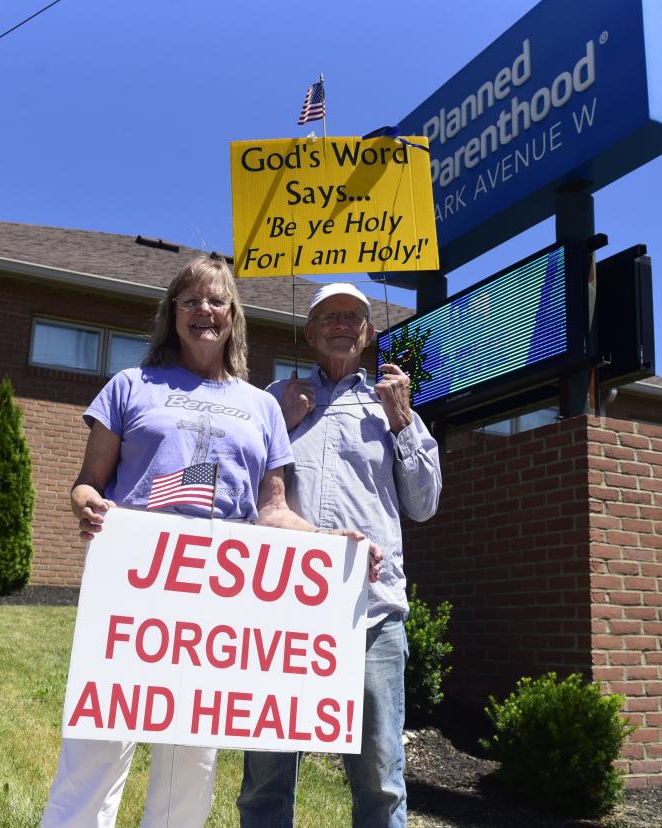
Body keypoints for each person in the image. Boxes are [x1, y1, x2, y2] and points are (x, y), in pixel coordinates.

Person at [42, 257, 376, 828]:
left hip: (216, 603)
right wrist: (85, 503)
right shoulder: (130, 385)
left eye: (218, 301)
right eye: (192, 299)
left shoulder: (262, 405)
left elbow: (270, 508)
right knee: (97, 747)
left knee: (190, 765)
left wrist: (327, 541)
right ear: (173, 314)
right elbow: (88, 482)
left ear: (234, 318)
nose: (205, 311)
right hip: (135, 588)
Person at [237, 282, 442, 828]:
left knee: (379, 779)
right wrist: (279, 422)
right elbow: (242, 492)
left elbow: (423, 505)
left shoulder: (391, 403)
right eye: (329, 316)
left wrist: (402, 421)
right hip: (282, 613)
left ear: (370, 333)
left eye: (354, 316)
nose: (342, 325)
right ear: (308, 331)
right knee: (266, 778)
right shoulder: (273, 398)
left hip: (370, 614)